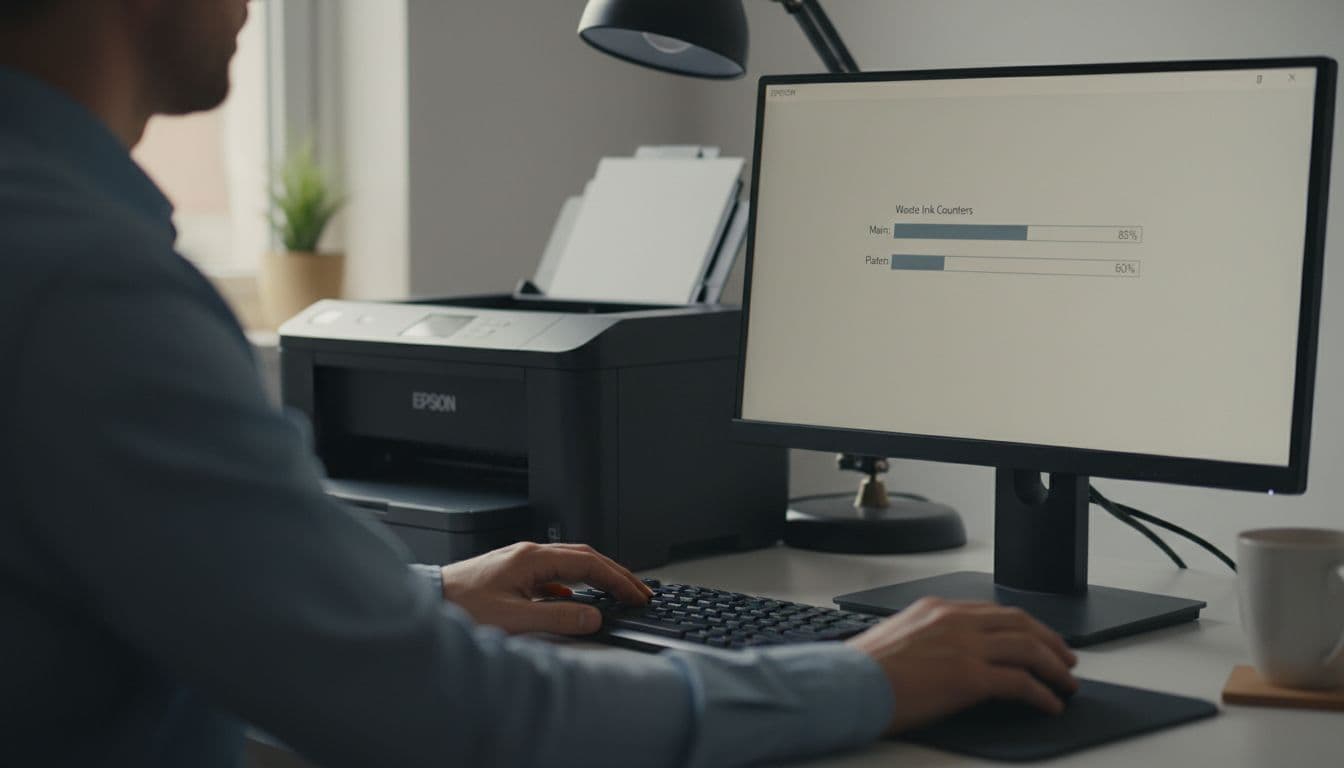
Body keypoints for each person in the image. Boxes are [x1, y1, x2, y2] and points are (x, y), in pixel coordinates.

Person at [0, 1, 1078, 765]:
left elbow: (173, 596)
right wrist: (871, 675)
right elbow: (458, 722)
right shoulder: (88, 290)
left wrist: (415, 604)